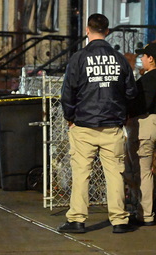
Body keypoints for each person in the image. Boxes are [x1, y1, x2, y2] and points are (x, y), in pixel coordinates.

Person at [57, 13, 137, 234]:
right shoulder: (119, 59)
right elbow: (131, 92)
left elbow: (68, 92)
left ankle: (77, 219)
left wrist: (70, 118)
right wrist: (124, 115)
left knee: (82, 173)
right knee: (114, 173)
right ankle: (119, 220)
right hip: (112, 125)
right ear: (107, 32)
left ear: (87, 30)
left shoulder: (79, 58)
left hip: (84, 125)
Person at [125, 43, 156, 225]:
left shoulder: (150, 78)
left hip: (147, 123)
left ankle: (146, 214)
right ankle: (147, 208)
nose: (141, 59)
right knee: (151, 170)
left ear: (151, 59)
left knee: (141, 170)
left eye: (143, 56)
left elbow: (143, 103)